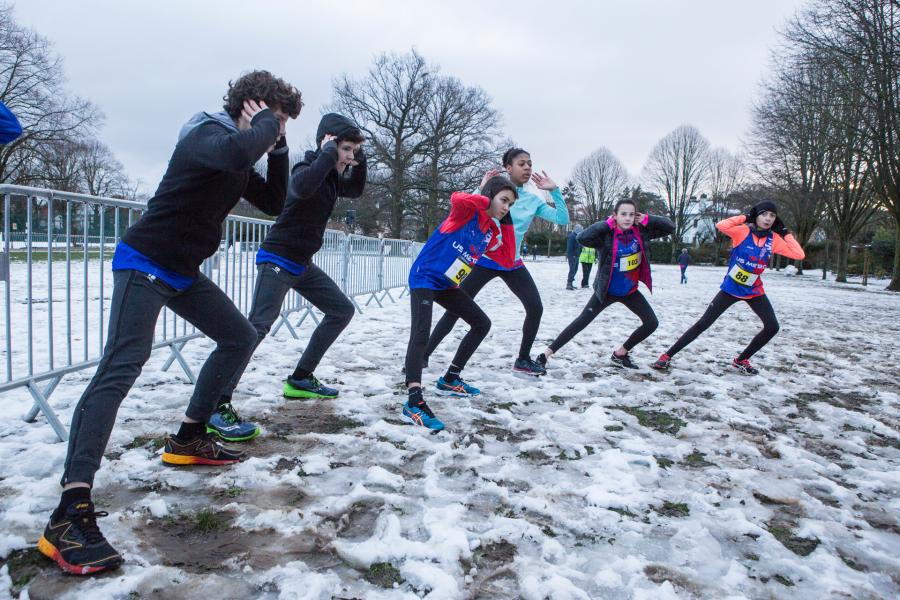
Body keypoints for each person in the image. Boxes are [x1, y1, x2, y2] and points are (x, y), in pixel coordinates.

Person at [38, 71, 303, 575]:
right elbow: (233, 155)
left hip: (182, 272)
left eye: (285, 124)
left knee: (239, 336)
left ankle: (188, 436)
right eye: (278, 118)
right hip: (145, 261)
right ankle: (69, 512)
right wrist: (266, 128)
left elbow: (272, 202)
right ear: (253, 106)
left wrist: (280, 149)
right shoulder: (206, 134)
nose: (280, 129)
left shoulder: (243, 147)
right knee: (122, 367)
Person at [210, 114, 366, 442]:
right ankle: (216, 403)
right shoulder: (306, 168)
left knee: (341, 310)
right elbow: (302, 186)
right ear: (326, 143)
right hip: (278, 258)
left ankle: (300, 379)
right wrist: (326, 154)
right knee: (255, 328)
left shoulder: (334, 174)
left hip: (301, 264)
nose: (351, 156)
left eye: (355, 151)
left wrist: (356, 159)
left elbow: (355, 189)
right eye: (347, 149)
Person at [422, 148, 569, 376]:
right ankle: (422, 356)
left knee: (535, 308)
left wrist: (555, 191)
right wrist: (482, 187)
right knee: (454, 310)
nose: (528, 168)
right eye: (522, 164)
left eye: (530, 164)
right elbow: (467, 207)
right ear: (508, 168)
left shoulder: (532, 201)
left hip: (511, 262)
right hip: (482, 260)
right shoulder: (490, 195)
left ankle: (522, 360)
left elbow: (562, 219)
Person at [402, 177, 514, 430]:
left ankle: (451, 378)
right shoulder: (466, 212)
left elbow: (507, 260)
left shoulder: (491, 230)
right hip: (425, 277)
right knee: (421, 333)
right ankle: (414, 401)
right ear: (490, 196)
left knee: (482, 323)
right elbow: (456, 198)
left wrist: (505, 222)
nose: (506, 207)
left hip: (447, 285)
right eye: (503, 200)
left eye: (511, 204)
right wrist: (485, 198)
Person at [651, 200, 805, 375]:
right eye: (763, 214)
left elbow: (798, 254)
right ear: (757, 216)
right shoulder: (742, 231)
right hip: (731, 289)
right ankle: (667, 356)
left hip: (754, 291)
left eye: (772, 215)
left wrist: (785, 232)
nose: (768, 218)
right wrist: (746, 217)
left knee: (772, 327)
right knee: (703, 324)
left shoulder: (774, 239)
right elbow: (722, 225)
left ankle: (741, 360)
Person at [538, 200, 675, 370]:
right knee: (582, 321)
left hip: (629, 291)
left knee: (651, 323)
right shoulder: (606, 235)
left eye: (631, 214)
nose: (628, 218)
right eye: (623, 214)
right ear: (615, 216)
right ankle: (545, 355)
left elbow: (670, 227)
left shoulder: (641, 232)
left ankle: (620, 354)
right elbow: (582, 237)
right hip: (606, 291)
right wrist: (606, 224)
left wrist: (647, 218)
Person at [566, 225, 583, 290]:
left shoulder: (577, 236)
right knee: (572, 269)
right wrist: (572, 255)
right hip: (572, 256)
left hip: (576, 256)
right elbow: (569, 247)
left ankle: (571, 282)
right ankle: (569, 283)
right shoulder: (572, 236)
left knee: (575, 269)